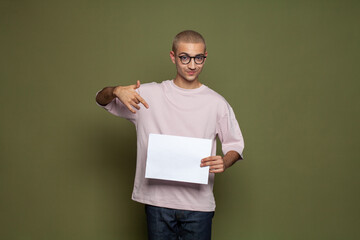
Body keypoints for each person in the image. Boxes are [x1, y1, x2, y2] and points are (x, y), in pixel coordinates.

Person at [95, 30, 244, 240]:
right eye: (185, 57)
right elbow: (101, 99)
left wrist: (226, 161)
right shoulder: (147, 96)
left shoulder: (217, 103)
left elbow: (235, 146)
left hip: (198, 205)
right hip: (157, 203)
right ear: (173, 56)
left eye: (198, 58)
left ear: (205, 57)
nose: (192, 65)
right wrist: (116, 90)